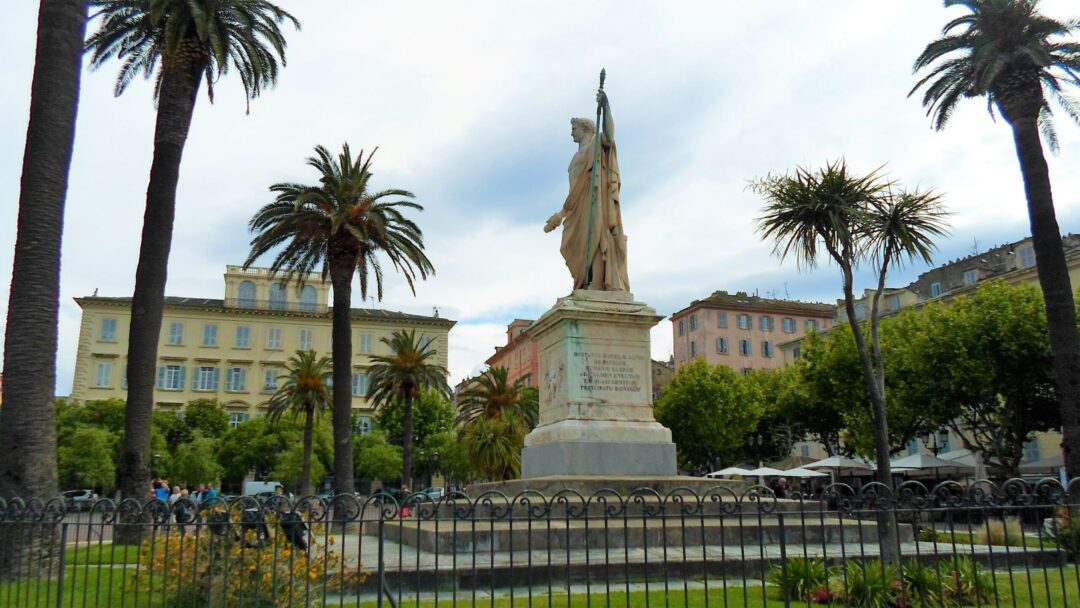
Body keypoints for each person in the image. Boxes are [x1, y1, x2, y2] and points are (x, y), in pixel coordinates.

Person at [544, 87, 629, 292]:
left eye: (574, 128)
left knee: (598, 238)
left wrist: (606, 106)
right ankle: (584, 282)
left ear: (586, 129)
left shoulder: (596, 144)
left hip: (595, 200)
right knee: (573, 246)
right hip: (576, 205)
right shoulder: (576, 156)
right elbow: (576, 185)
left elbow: (609, 135)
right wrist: (563, 213)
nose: (571, 132)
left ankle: (596, 281)